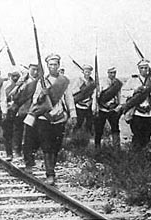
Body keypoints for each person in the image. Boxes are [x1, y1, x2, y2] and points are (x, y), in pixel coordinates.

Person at [28, 54, 76, 185]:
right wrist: (41, 95)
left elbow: (69, 99)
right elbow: (34, 100)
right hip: (45, 117)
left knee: (56, 146)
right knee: (47, 146)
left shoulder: (64, 81)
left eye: (55, 64)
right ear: (47, 66)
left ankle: (52, 168)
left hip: (59, 117)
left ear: (59, 66)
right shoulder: (42, 81)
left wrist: (73, 114)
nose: (53, 67)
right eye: (50, 65)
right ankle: (50, 173)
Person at [121, 59, 151, 151]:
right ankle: (135, 159)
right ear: (139, 69)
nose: (144, 70)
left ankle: (143, 159)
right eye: (142, 68)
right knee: (137, 138)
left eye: (146, 68)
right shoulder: (133, 79)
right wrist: (135, 91)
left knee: (146, 138)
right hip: (137, 113)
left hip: (149, 113)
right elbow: (123, 92)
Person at [12, 63, 40, 172]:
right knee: (20, 133)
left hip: (34, 112)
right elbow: (14, 97)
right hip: (23, 111)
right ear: (29, 69)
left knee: (32, 136)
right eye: (33, 69)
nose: (35, 72)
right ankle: (20, 153)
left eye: (37, 70)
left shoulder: (40, 82)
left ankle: (29, 156)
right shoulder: (24, 82)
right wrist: (19, 86)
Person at [93, 67, 123, 149]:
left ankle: (116, 147)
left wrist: (119, 106)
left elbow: (119, 96)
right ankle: (97, 147)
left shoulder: (117, 83)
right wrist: (95, 108)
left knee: (115, 129)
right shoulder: (102, 82)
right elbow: (96, 96)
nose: (113, 75)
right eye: (111, 73)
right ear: (108, 73)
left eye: (114, 73)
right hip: (102, 109)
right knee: (99, 129)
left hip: (112, 110)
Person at [2, 69, 21, 161]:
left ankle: (17, 151)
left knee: (17, 132)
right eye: (13, 75)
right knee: (7, 133)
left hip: (17, 111)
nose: (15, 77)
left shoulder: (20, 85)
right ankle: (9, 152)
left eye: (17, 75)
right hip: (7, 111)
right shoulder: (5, 85)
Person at [72, 64, 96, 134]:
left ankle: (88, 136)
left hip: (88, 105)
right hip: (80, 104)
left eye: (89, 72)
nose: (87, 73)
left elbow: (94, 93)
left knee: (89, 122)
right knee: (79, 122)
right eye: (86, 72)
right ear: (83, 72)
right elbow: (74, 91)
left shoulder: (92, 82)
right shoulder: (79, 80)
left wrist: (91, 101)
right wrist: (83, 89)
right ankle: (74, 136)